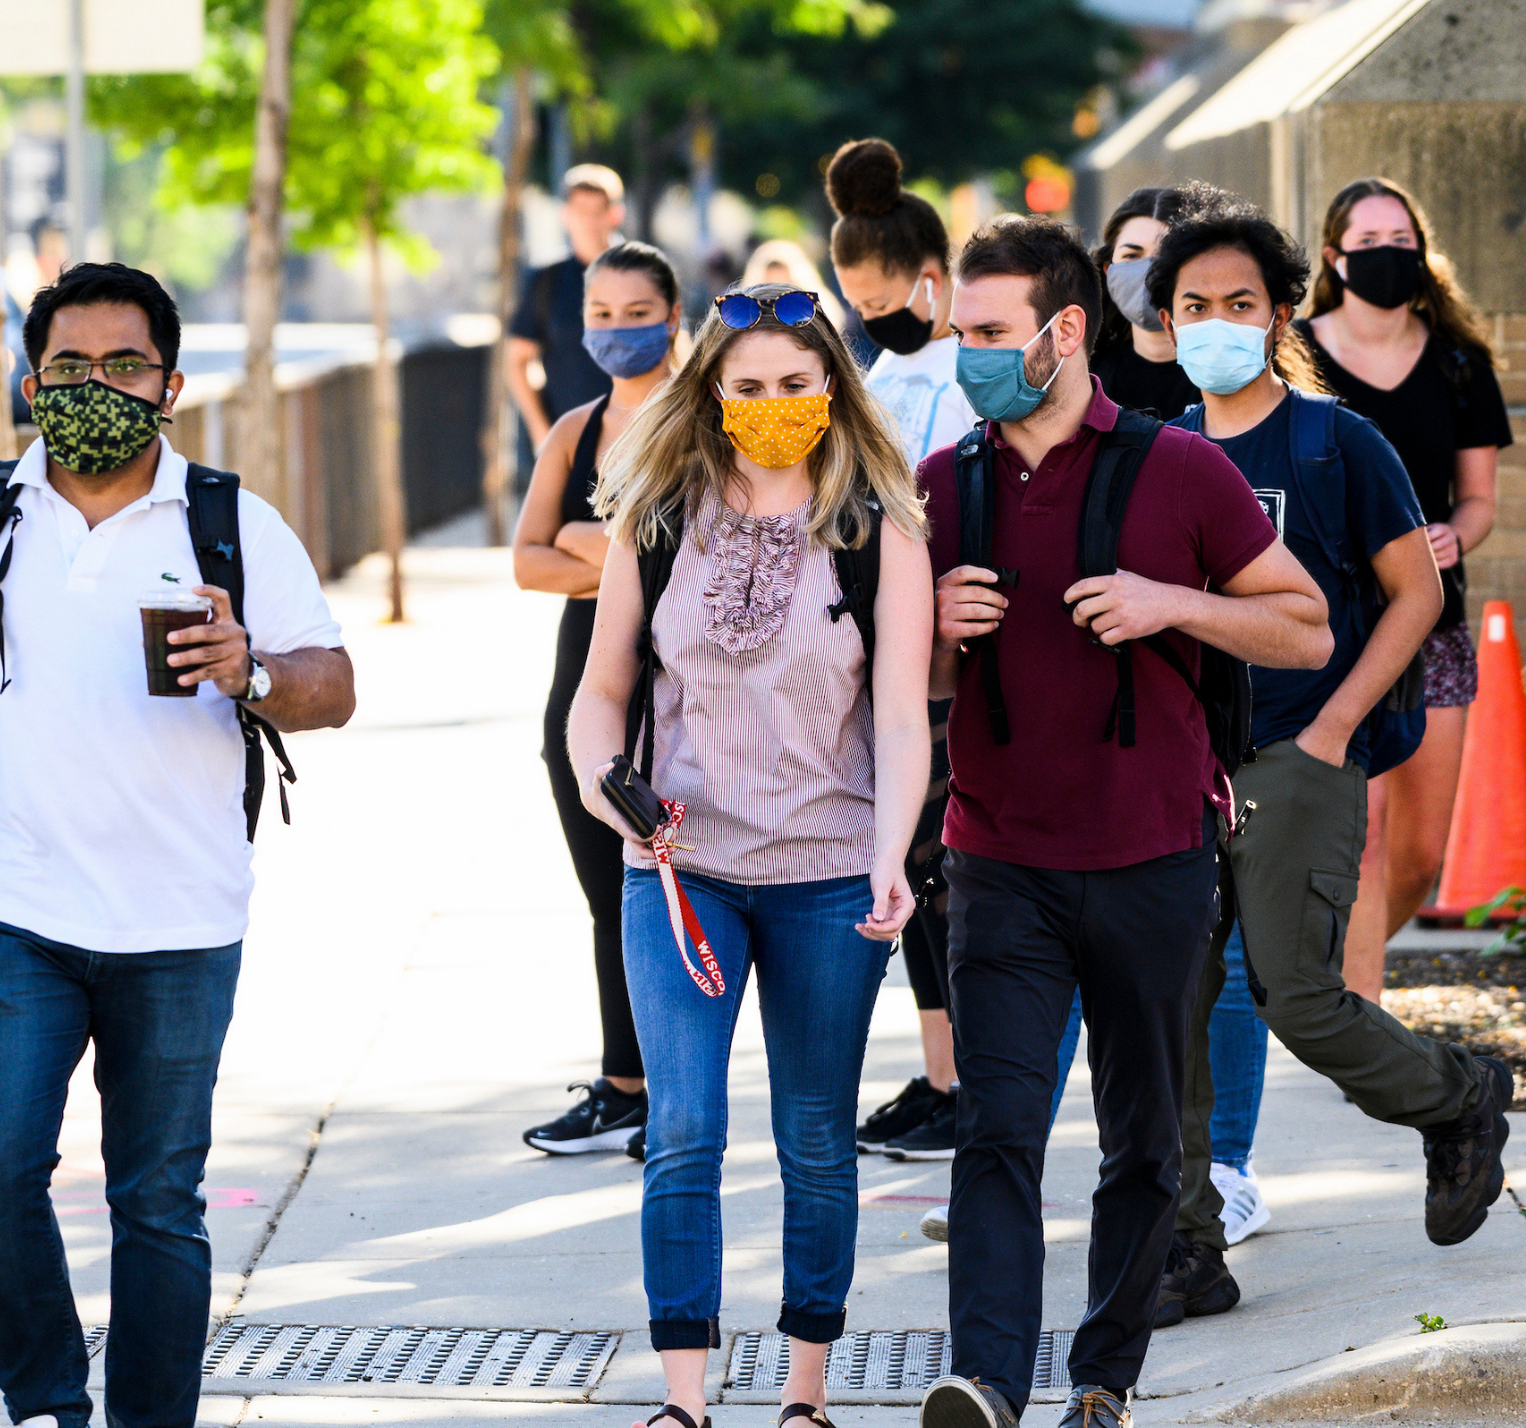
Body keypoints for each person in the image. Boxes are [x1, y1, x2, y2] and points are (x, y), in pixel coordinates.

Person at [0, 263, 355, 1428]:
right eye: (67, 366)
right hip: (16, 913)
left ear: (169, 385)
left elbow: (332, 685)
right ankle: (46, 1408)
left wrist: (253, 671)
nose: (94, 386)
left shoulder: (231, 523)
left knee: (158, 1201)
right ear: (31, 382)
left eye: (123, 365)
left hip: (182, 921)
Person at [913, 215, 1333, 1428]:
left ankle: (1102, 1379)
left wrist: (1170, 602)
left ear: (1063, 331)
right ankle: (985, 1382)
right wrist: (936, 625)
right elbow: (901, 696)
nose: (969, 358)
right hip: (996, 862)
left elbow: (1302, 625)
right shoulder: (944, 487)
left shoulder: (1179, 471)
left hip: (1152, 856)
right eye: (959, 335)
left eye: (989, 335)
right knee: (995, 1130)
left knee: (1142, 1142)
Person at [567, 282, 933, 1428]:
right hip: (681, 868)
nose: (772, 403)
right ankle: (684, 1398)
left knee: (814, 1139)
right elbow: (602, 691)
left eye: (794, 383)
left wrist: (892, 857)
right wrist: (599, 786)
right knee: (680, 1132)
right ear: (712, 392)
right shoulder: (658, 513)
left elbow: (903, 714)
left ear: (830, 384)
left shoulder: (881, 525)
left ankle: (803, 1394)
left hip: (828, 871)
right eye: (748, 387)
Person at [1146, 197, 1514, 1329]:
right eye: (1192, 305)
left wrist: (1330, 731)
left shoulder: (1331, 441)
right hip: (1176, 768)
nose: (1215, 322)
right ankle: (1185, 1248)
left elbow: (1414, 594)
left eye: (1238, 303)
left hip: (1296, 755)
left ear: (1280, 310)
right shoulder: (1153, 450)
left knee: (1297, 994)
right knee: (1166, 1003)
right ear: (1163, 321)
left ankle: (1455, 1099)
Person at [1294, 177, 1511, 1003]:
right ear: (1332, 256)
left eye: (1400, 240)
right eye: (1368, 241)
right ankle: (1362, 1022)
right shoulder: (1296, 357)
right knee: (1365, 836)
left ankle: (1320, 989)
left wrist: (1462, 532)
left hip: (1435, 629)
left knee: (1420, 852)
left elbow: (1480, 498)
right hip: (1338, 630)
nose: (1386, 256)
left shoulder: (1459, 362)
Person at [821, 136, 978, 1169]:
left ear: (928, 279)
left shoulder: (971, 372)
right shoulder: (877, 376)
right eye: (851, 298)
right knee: (911, 863)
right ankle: (940, 1073)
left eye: (879, 296)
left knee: (939, 864)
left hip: (956, 659)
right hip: (890, 654)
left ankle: (963, 1076)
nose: (867, 314)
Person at [514, 242, 682, 1156]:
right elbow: (525, 560)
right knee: (606, 896)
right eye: (602, 316)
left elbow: (698, 559)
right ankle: (625, 1085)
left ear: (674, 314)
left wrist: (586, 545)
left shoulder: (710, 423)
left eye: (637, 313)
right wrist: (612, 547)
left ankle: (679, 1095)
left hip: (689, 694)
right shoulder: (573, 430)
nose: (619, 332)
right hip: (583, 697)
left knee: (681, 896)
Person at [507, 164, 626, 456]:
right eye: (580, 210)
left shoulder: (642, 274)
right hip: (570, 446)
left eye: (597, 211)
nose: (588, 221)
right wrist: (542, 433)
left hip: (635, 443)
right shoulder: (547, 280)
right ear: (565, 215)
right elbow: (517, 360)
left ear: (615, 215)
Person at [1089, 186, 1204, 421]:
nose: (1148, 271)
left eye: (1166, 255)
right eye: (1132, 256)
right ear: (1108, 271)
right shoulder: (1086, 377)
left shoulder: (1227, 371)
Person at [743, 238, 848, 332]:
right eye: (767, 291)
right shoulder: (743, 320)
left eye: (786, 290)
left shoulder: (820, 316)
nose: (776, 299)